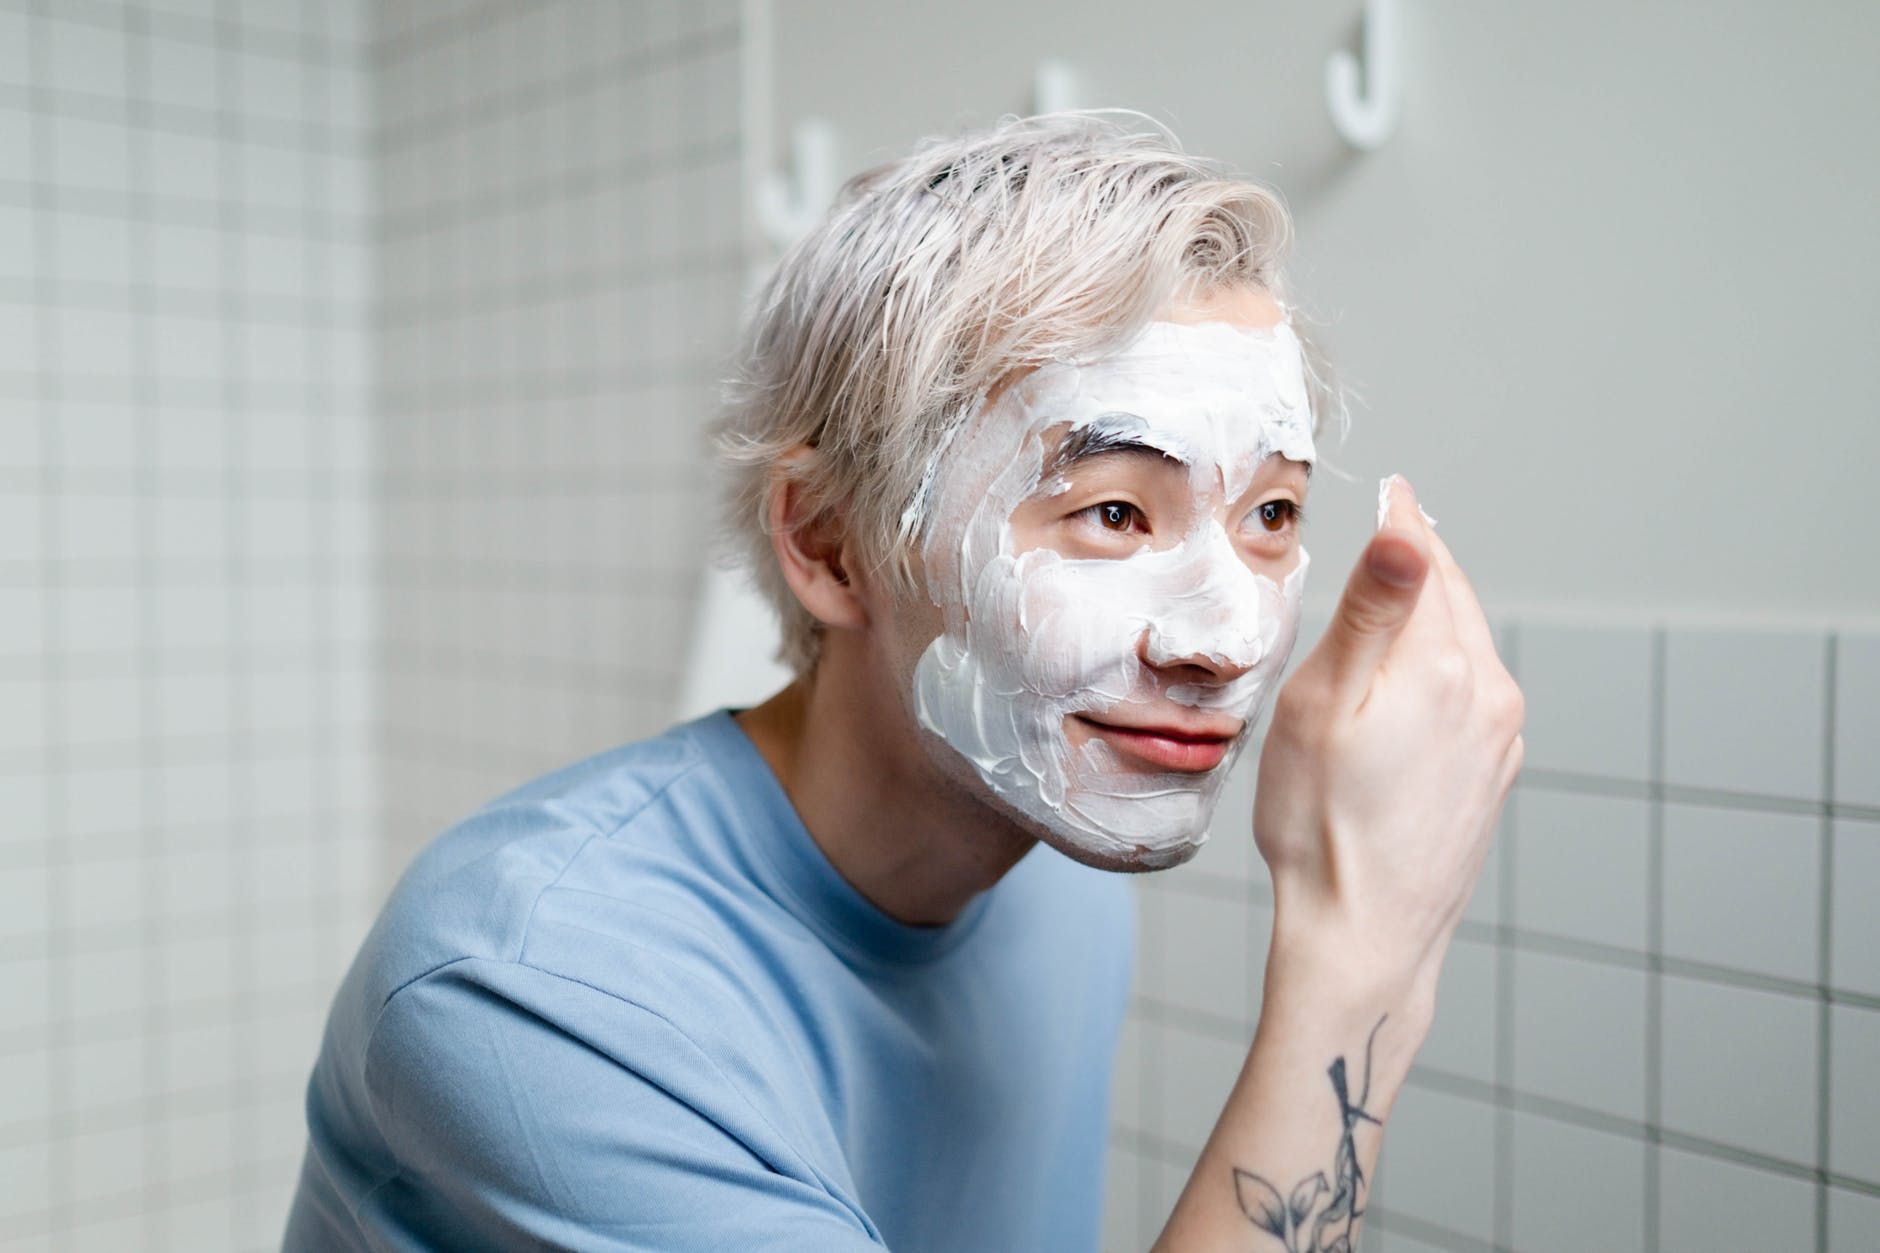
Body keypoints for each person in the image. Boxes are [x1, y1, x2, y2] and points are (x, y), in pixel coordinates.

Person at [284, 113, 1522, 1252]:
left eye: (1269, 513)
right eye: (1111, 511)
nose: (1227, 638)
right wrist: (1358, 962)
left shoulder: (1053, 862)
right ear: (828, 544)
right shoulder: (534, 986)